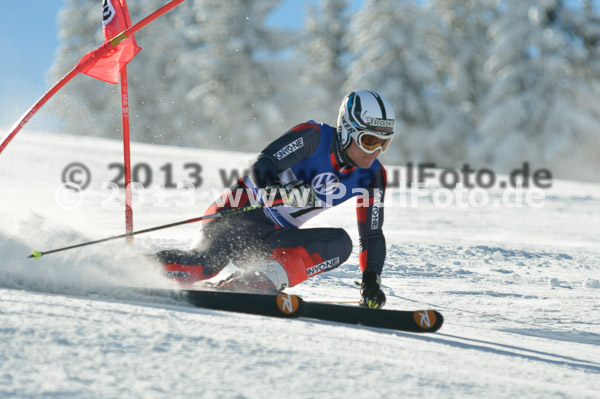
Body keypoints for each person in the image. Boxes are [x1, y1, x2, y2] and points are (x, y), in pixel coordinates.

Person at [155, 90, 394, 308]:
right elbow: (263, 163)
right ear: (346, 131)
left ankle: (257, 281)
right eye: (369, 141)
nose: (375, 152)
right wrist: (276, 190)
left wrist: (371, 281)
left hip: (274, 237)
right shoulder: (315, 137)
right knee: (202, 266)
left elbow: (371, 235)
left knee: (339, 243)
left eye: (384, 143)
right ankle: (129, 265)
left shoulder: (372, 175)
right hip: (240, 213)